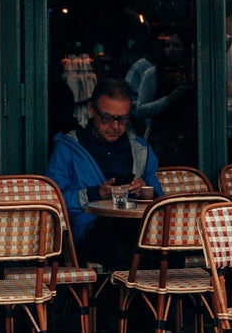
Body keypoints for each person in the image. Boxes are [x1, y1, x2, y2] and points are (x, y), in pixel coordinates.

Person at [47, 78, 159, 251]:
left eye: (122, 119)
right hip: (88, 231)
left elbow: (160, 199)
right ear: (92, 110)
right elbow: (53, 204)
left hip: (137, 230)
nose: (115, 126)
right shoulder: (68, 147)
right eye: (107, 118)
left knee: (157, 236)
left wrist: (145, 191)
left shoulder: (140, 149)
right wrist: (96, 193)